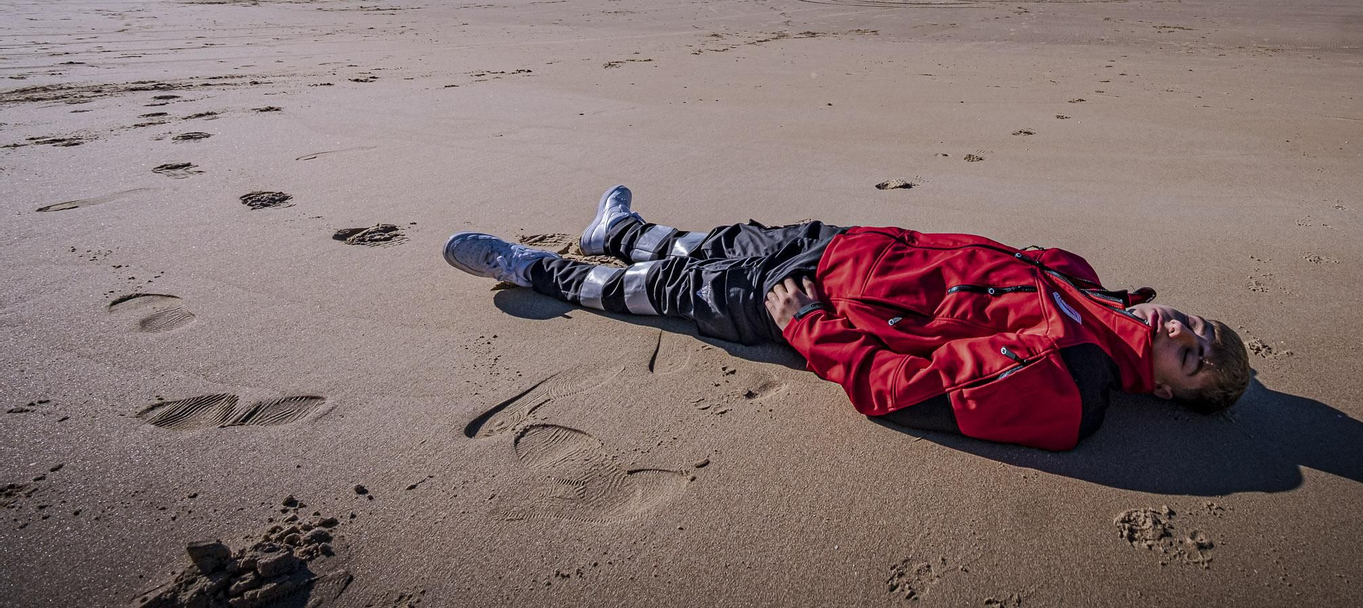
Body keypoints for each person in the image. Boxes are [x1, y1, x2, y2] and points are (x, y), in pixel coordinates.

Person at [443, 186, 1251, 450]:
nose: (1185, 333)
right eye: (1202, 328)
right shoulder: (1091, 284)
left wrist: (810, 331)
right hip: (843, 247)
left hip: (821, 304)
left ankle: (528, 267)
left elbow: (913, 389)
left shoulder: (1074, 382)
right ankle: (617, 232)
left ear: (1170, 394)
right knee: (713, 240)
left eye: (1191, 357)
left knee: (664, 293)